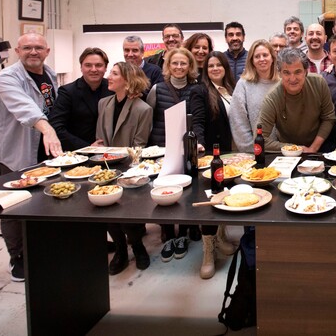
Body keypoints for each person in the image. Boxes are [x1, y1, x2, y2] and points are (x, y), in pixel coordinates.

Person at [0, 32, 63, 282]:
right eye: (27, 48)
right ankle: (18, 257)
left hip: (44, 150)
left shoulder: (50, 74)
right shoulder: (7, 78)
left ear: (47, 51)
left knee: (46, 201)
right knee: (13, 205)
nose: (34, 52)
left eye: (38, 48)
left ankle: (45, 248)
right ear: (18, 51)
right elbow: (26, 108)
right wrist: (48, 129)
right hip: (16, 152)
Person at [146, 47, 206, 260]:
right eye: (175, 63)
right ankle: (169, 234)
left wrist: (197, 143)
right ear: (168, 66)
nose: (179, 67)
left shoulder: (197, 89)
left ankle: (184, 232)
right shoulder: (157, 89)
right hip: (163, 148)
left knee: (189, 191)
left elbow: (199, 120)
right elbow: (150, 118)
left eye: (183, 63)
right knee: (165, 192)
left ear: (190, 66)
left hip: (188, 149)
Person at [94, 61, 153, 275]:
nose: (109, 76)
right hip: (105, 166)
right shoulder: (103, 103)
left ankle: (137, 247)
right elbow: (100, 138)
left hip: (129, 169)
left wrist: (116, 155)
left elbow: (139, 145)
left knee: (129, 215)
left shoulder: (143, 109)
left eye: (115, 73)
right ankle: (120, 250)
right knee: (108, 211)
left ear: (127, 81)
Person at [190, 50, 239, 279]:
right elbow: (197, 120)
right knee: (209, 200)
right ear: (205, 70)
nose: (215, 69)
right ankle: (208, 251)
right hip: (211, 154)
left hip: (231, 153)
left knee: (224, 195)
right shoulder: (200, 90)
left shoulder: (231, 87)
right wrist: (199, 143)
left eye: (219, 65)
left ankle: (220, 237)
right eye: (210, 66)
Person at [257, 48, 335, 152]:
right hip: (287, 154)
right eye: (286, 73)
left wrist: (313, 148)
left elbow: (329, 118)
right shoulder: (272, 98)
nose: (292, 78)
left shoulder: (319, 83)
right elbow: (260, 140)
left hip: (320, 148)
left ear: (306, 72)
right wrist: (295, 149)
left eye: (297, 72)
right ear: (279, 73)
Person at [49, 47, 114, 151]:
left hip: (110, 150)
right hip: (79, 152)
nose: (93, 69)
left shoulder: (114, 89)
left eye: (98, 65)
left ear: (106, 68)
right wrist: (87, 147)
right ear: (81, 67)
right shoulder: (67, 92)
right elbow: (56, 127)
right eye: (88, 65)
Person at [229, 39, 281, 153]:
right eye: (257, 56)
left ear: (272, 58)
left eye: (265, 55)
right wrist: (252, 149)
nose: (262, 59)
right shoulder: (243, 84)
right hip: (255, 152)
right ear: (252, 60)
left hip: (282, 151)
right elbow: (238, 120)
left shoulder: (282, 82)